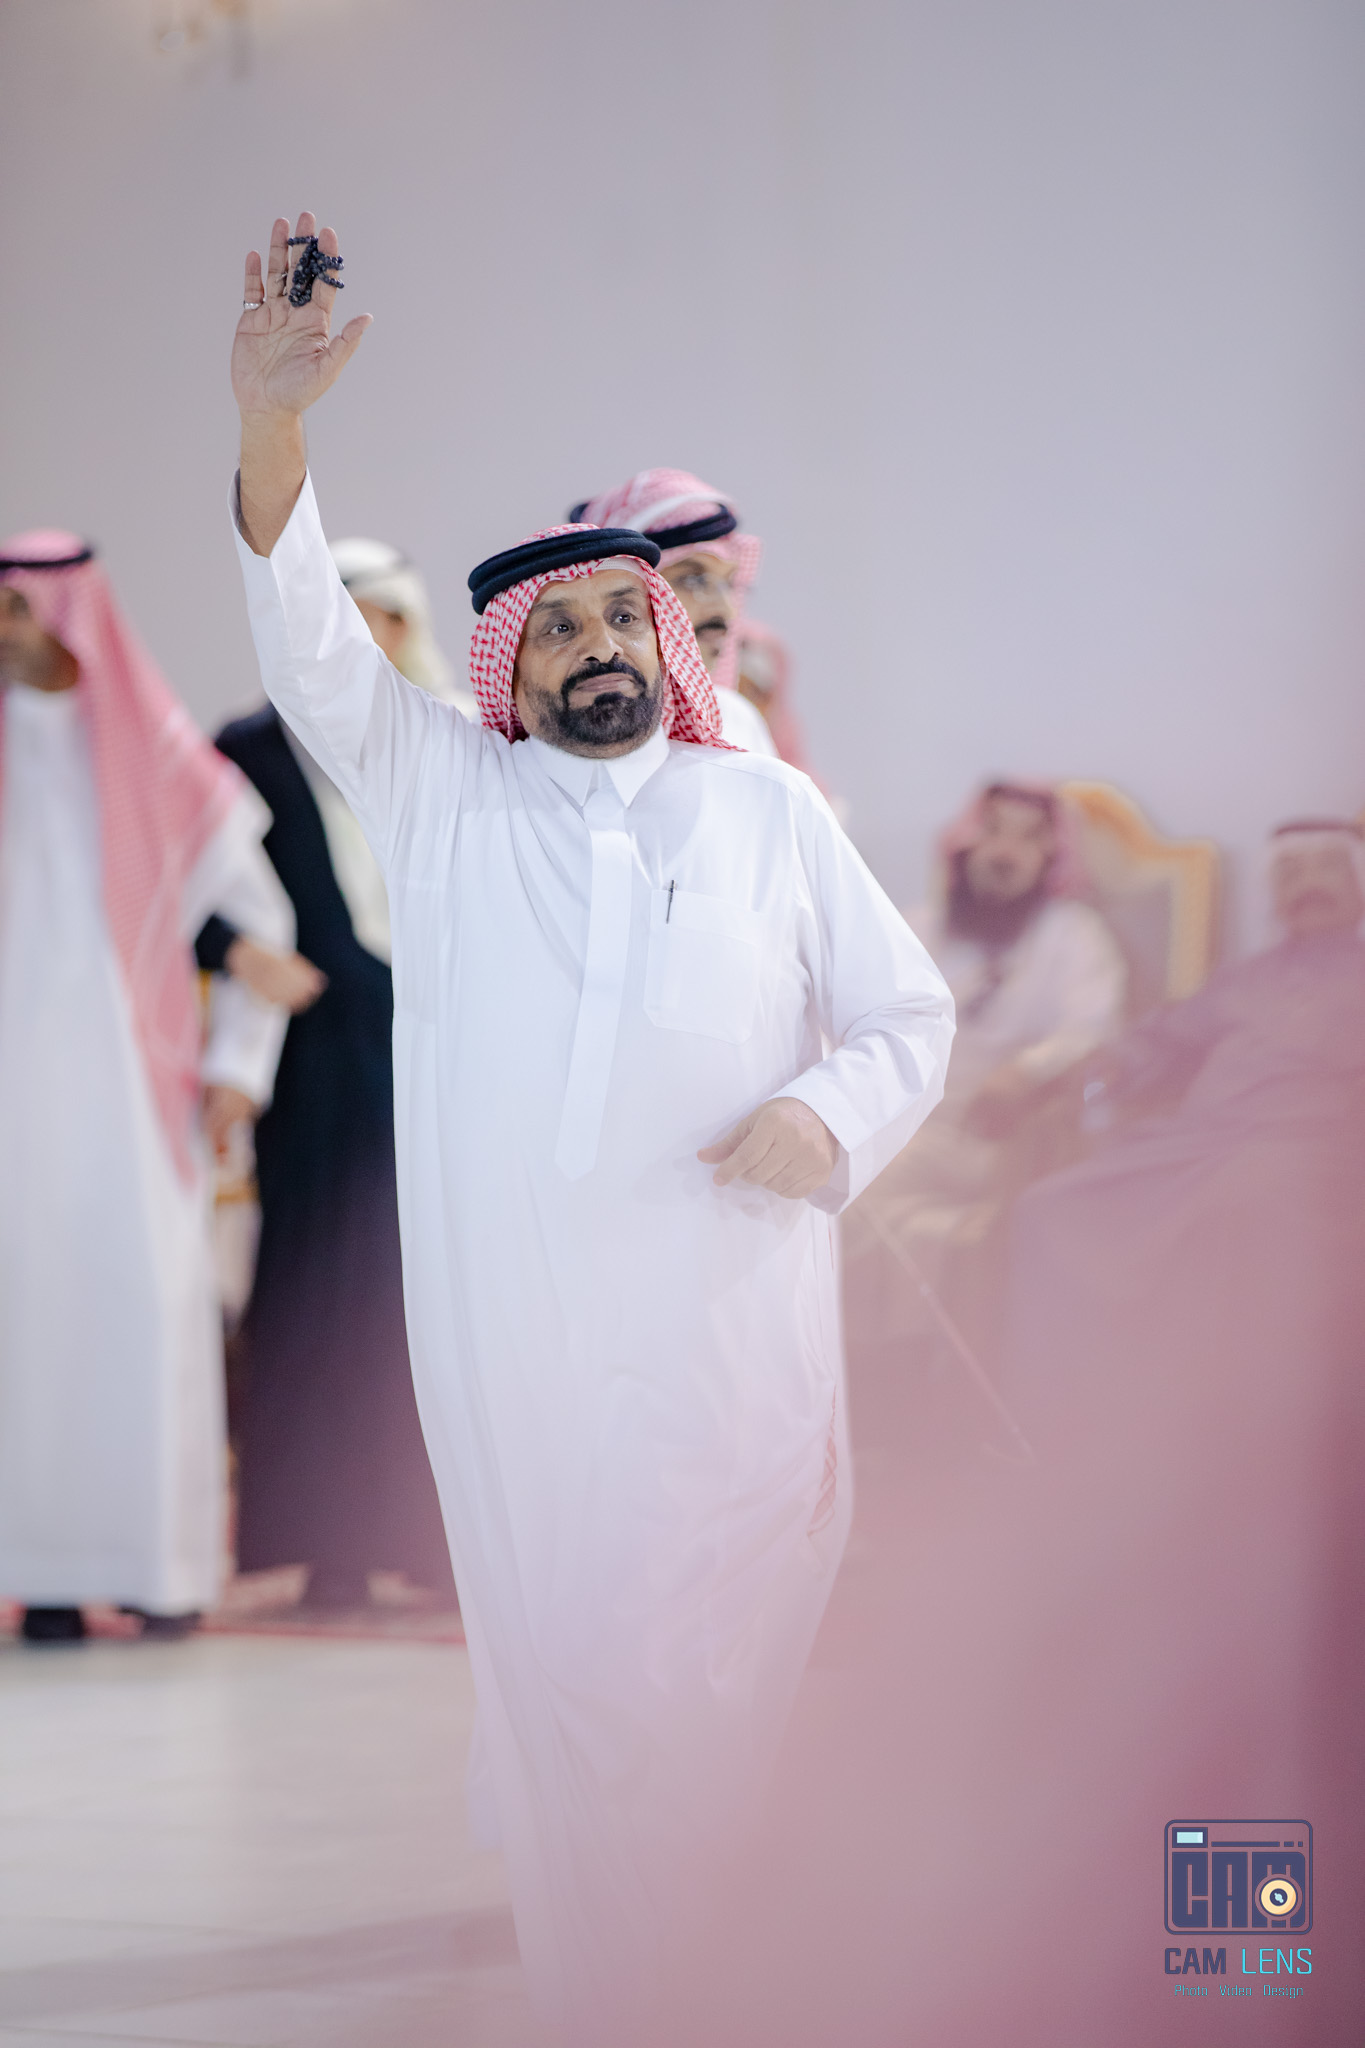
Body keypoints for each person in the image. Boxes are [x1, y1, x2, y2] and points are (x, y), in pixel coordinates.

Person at [227, 212, 953, 2043]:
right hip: (527, 1351)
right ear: (508, 662)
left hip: (730, 1329)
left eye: (624, 613)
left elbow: (907, 1018)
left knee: (716, 1675)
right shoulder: (445, 795)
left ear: (668, 635)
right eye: (555, 626)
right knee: (576, 1688)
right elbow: (310, 650)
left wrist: (825, 1110)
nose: (598, 644)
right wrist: (270, 425)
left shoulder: (768, 814)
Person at [0, 533, 292, 1643]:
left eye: (21, 607)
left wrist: (237, 1071)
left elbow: (264, 923)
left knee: (143, 1310)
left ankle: (157, 1568)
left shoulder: (164, 758)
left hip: (136, 1094)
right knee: (28, 1320)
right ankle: (46, 1573)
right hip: (15, 1102)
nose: (7, 629)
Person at [195, 538, 460, 1611]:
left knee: (440, 1298)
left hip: (443, 1052)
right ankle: (331, 1547)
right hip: (320, 1063)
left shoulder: (445, 736)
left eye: (379, 619)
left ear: (404, 626)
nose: (363, 640)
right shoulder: (243, 750)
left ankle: (443, 1548)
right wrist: (235, 949)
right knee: (322, 1293)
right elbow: (166, 882)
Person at [843, 780, 1125, 1367]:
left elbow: (1091, 1030)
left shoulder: (1074, 936)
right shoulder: (921, 925)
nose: (1004, 852)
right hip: (896, 1117)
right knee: (830, 1183)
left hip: (996, 1134)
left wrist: (1025, 1072)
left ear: (1050, 858)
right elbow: (861, 1016)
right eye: (992, 831)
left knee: (847, 1185)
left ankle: (880, 1365)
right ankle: (878, 1366)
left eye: (1026, 838)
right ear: (964, 846)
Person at [569, 467, 779, 755]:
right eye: (693, 580)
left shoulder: (738, 722)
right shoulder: (569, 726)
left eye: (729, 582)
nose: (727, 610)